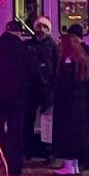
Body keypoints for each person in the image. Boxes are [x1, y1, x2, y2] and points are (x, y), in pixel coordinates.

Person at [0, 20, 38, 176]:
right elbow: (33, 71)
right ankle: (15, 166)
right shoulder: (22, 49)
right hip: (17, 97)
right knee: (15, 132)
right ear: (19, 32)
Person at [53, 32, 89, 175]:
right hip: (80, 103)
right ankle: (75, 165)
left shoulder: (68, 63)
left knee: (67, 134)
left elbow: (63, 84)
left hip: (68, 104)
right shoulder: (83, 61)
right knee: (77, 134)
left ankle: (68, 165)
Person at [25, 15, 60, 162]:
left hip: (47, 88)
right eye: (39, 26)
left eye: (45, 27)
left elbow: (57, 66)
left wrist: (54, 86)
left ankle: (49, 150)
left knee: (48, 122)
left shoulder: (53, 46)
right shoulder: (28, 45)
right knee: (27, 120)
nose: (42, 30)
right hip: (31, 88)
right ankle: (26, 150)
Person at [66, 24, 89, 172]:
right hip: (86, 97)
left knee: (76, 131)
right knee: (86, 129)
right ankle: (85, 161)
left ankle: (76, 161)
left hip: (77, 98)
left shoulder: (72, 54)